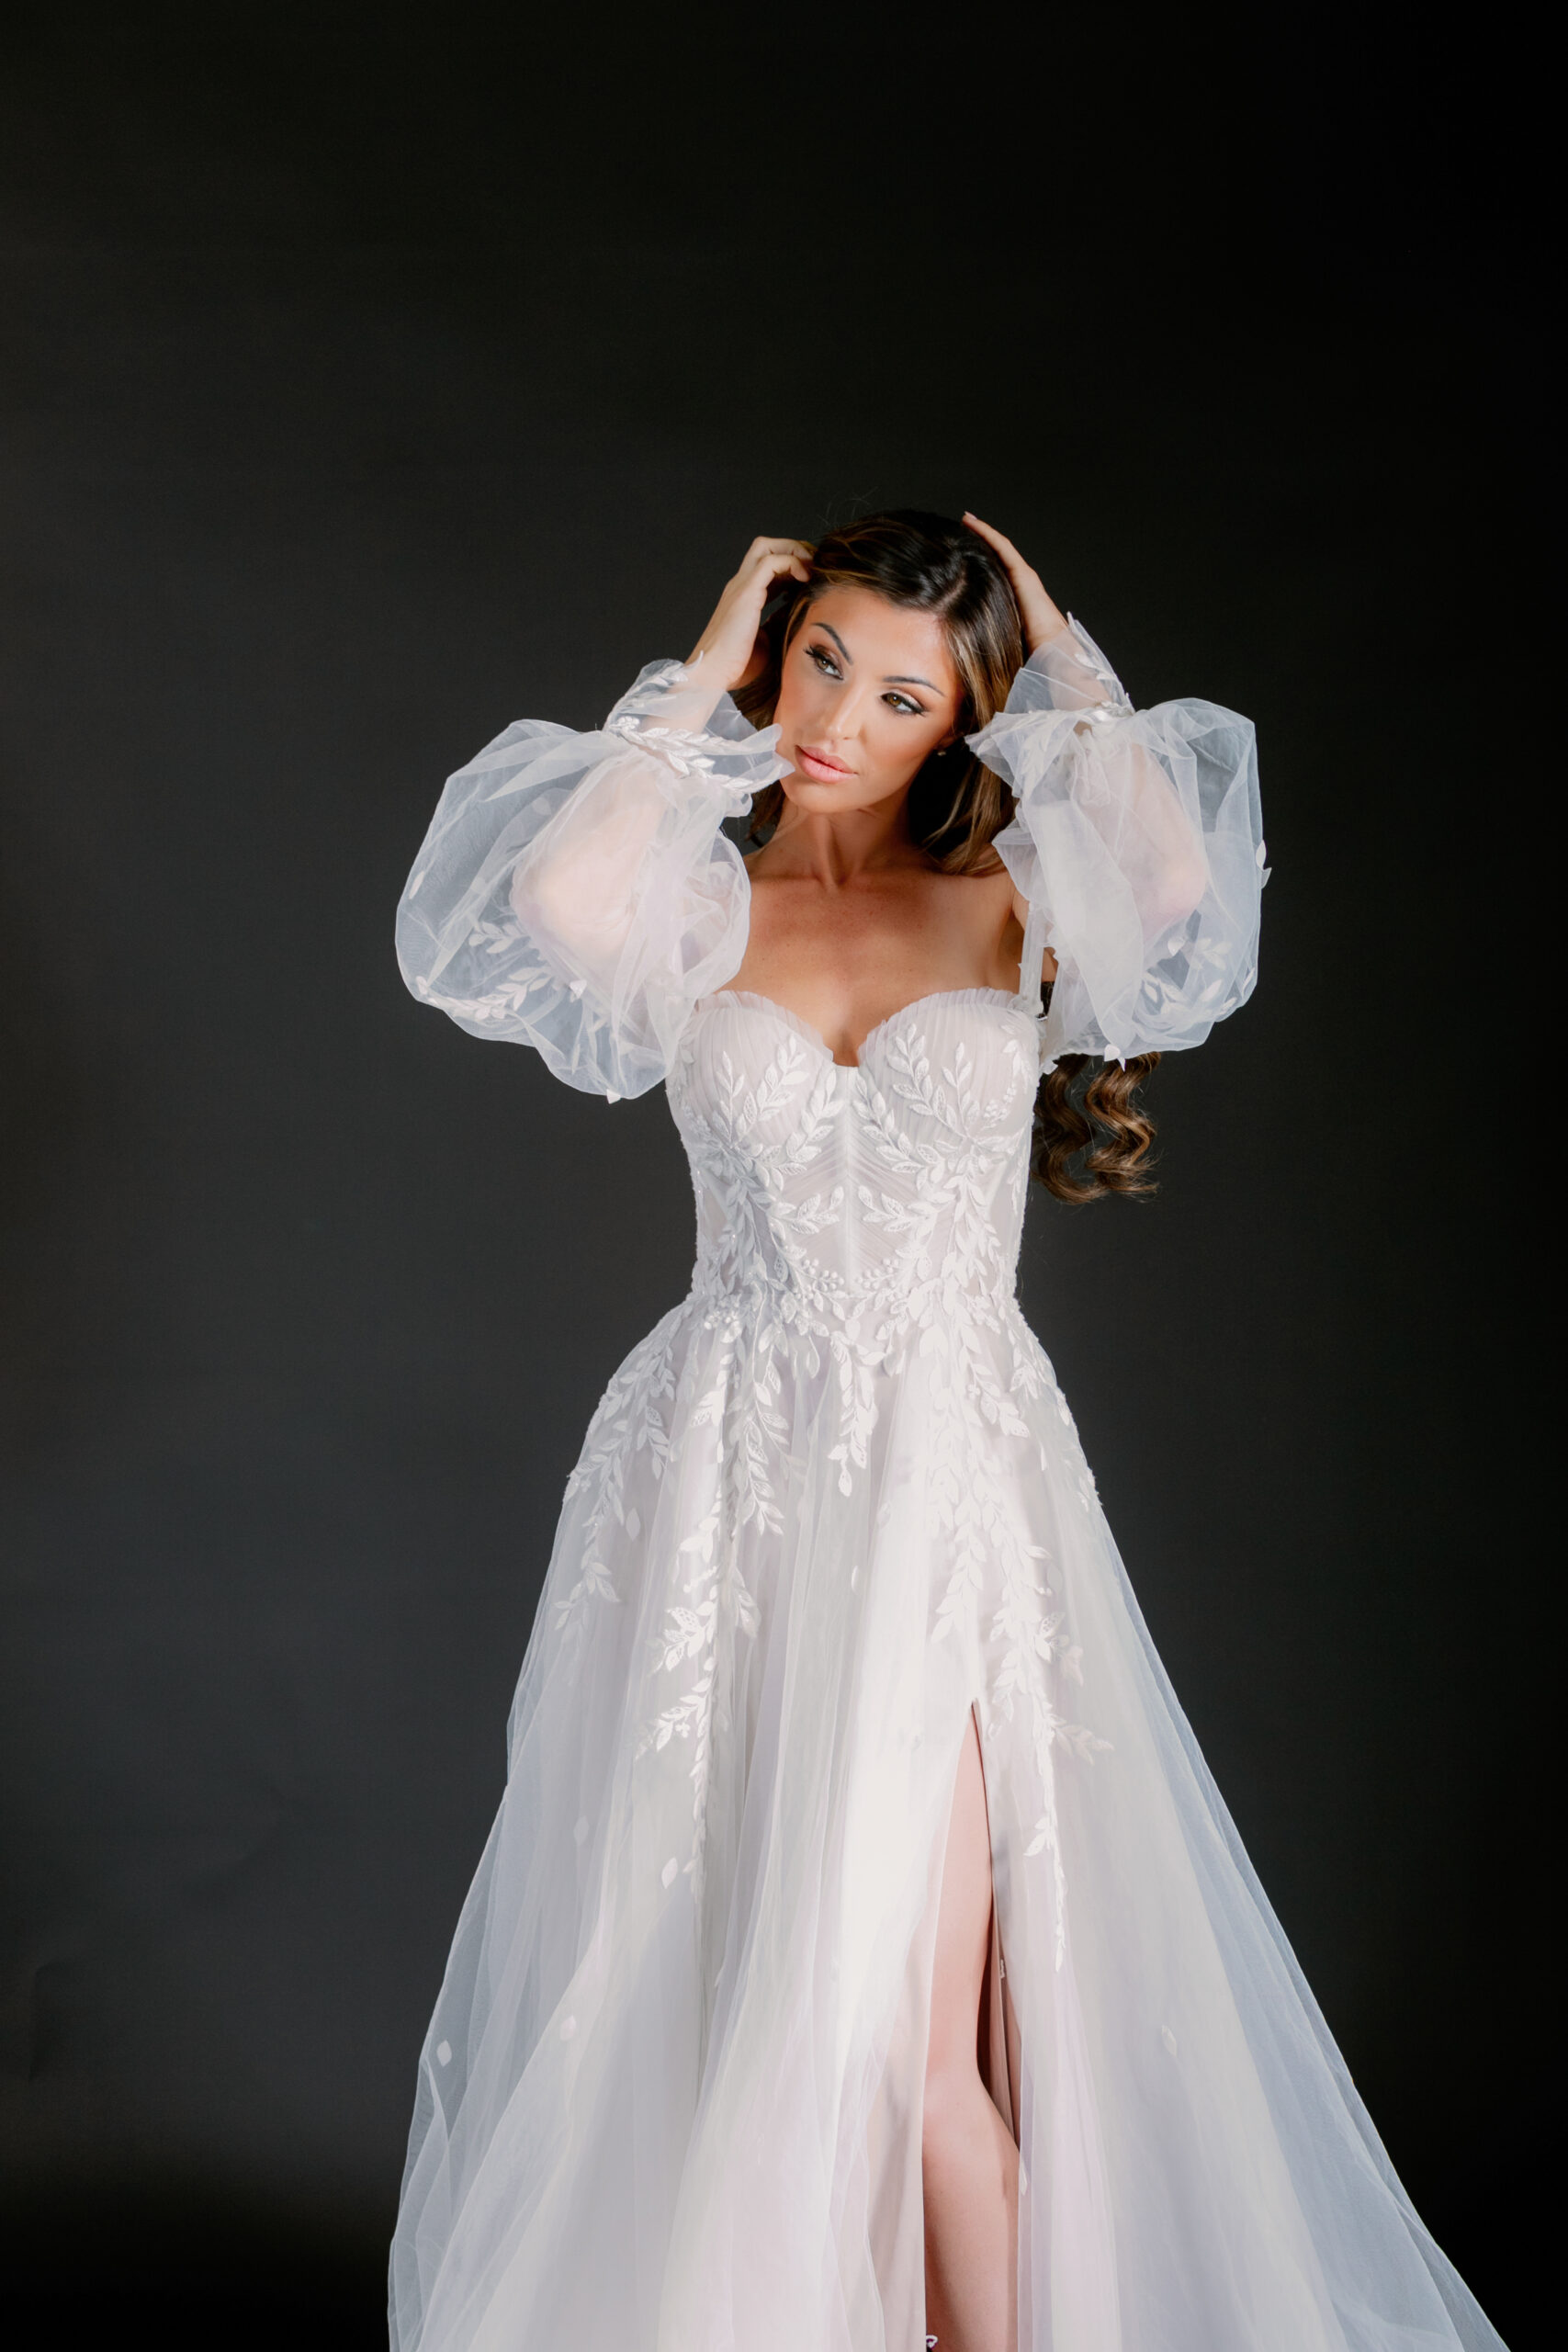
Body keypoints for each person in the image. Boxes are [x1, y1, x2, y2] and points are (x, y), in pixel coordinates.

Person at [389, 512, 1503, 2351]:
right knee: (728, 1987)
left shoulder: (1007, 903)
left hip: (942, 1484)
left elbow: (1167, 890)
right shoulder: (699, 899)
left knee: (909, 2045)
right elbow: (552, 911)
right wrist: (714, 648)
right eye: (823, 660)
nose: (842, 717)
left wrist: (1054, 645)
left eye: (903, 695)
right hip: (715, 1483)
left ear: (958, 723)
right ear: (779, 655)